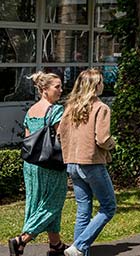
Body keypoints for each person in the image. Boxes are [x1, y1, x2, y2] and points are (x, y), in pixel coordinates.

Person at [8, 72, 68, 256]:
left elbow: (28, 139)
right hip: (51, 165)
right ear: (44, 90)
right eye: (56, 87)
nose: (60, 90)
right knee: (54, 203)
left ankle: (55, 244)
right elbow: (62, 139)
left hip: (32, 165)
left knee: (36, 203)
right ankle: (21, 240)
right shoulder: (56, 111)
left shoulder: (31, 110)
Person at [58, 69, 116, 256]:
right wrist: (112, 144)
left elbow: (60, 134)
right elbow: (102, 138)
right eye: (100, 82)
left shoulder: (70, 108)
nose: (103, 85)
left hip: (72, 163)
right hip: (92, 163)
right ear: (95, 85)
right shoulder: (101, 108)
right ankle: (80, 246)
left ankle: (79, 251)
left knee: (83, 210)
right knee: (108, 207)